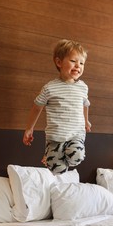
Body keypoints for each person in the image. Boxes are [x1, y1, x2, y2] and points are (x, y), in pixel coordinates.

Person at [23, 39, 92, 175]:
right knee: (57, 170)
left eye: (82, 63)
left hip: (76, 134)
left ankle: (54, 155)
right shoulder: (50, 88)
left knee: (77, 156)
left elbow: (85, 105)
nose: (78, 66)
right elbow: (37, 107)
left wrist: (86, 120)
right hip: (55, 136)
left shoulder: (83, 87)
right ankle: (50, 155)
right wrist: (29, 128)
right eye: (73, 61)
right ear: (59, 62)